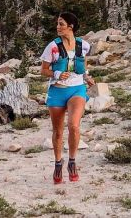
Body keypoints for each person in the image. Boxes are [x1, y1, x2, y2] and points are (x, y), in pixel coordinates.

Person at [40, 12, 95, 184]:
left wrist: (86, 77)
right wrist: (56, 73)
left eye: (61, 24)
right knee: (57, 132)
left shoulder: (83, 45)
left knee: (74, 126)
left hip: (77, 89)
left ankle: (72, 161)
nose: (58, 27)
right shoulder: (52, 47)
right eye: (57, 24)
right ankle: (58, 163)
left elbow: (82, 63)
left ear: (70, 27)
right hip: (57, 91)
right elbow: (43, 70)